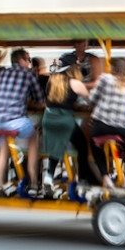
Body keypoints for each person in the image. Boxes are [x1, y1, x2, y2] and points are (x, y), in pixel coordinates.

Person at [0, 48, 45, 196]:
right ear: (21, 60)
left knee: (5, 143)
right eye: (28, 60)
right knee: (33, 137)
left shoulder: (2, 73)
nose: (29, 63)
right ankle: (33, 182)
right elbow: (40, 99)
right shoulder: (29, 74)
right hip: (15, 121)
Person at [41, 56, 92, 197]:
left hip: (49, 117)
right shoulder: (75, 83)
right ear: (73, 68)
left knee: (56, 148)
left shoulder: (52, 80)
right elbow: (90, 101)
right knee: (82, 145)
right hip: (65, 119)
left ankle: (48, 178)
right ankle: (82, 180)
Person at [89, 57, 125, 189]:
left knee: (94, 144)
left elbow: (92, 99)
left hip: (102, 126)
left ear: (113, 68)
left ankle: (105, 177)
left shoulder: (105, 79)